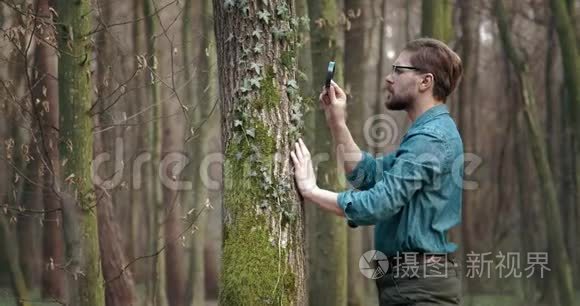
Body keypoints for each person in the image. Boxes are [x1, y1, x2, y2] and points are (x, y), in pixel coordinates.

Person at [290, 38, 464, 305]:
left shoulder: (432, 139)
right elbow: (368, 176)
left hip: (420, 289)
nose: (388, 78)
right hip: (410, 285)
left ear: (425, 82)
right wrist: (337, 123)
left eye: (398, 70)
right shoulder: (425, 136)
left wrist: (312, 191)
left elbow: (378, 203)